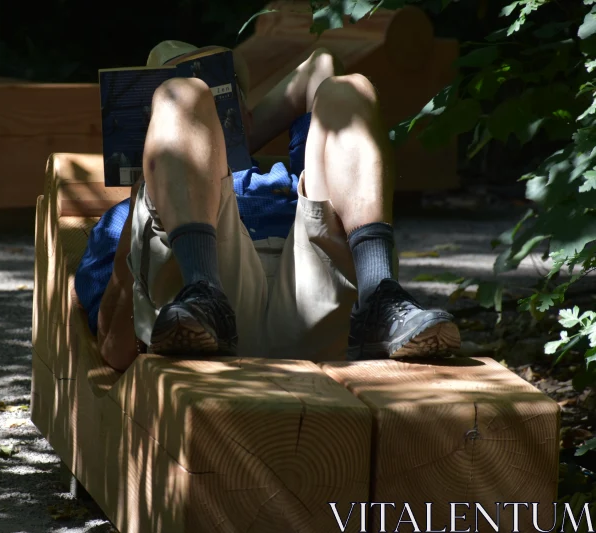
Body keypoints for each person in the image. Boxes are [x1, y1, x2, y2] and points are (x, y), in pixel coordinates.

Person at [75, 41, 461, 371]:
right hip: (195, 327)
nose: (205, 106)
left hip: (316, 311)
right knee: (181, 94)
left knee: (349, 90)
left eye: (221, 91)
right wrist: (145, 198)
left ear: (244, 110)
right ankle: (201, 290)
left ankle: (380, 297)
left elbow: (322, 67)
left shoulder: (283, 176)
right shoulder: (126, 219)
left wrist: (243, 131)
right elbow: (113, 348)